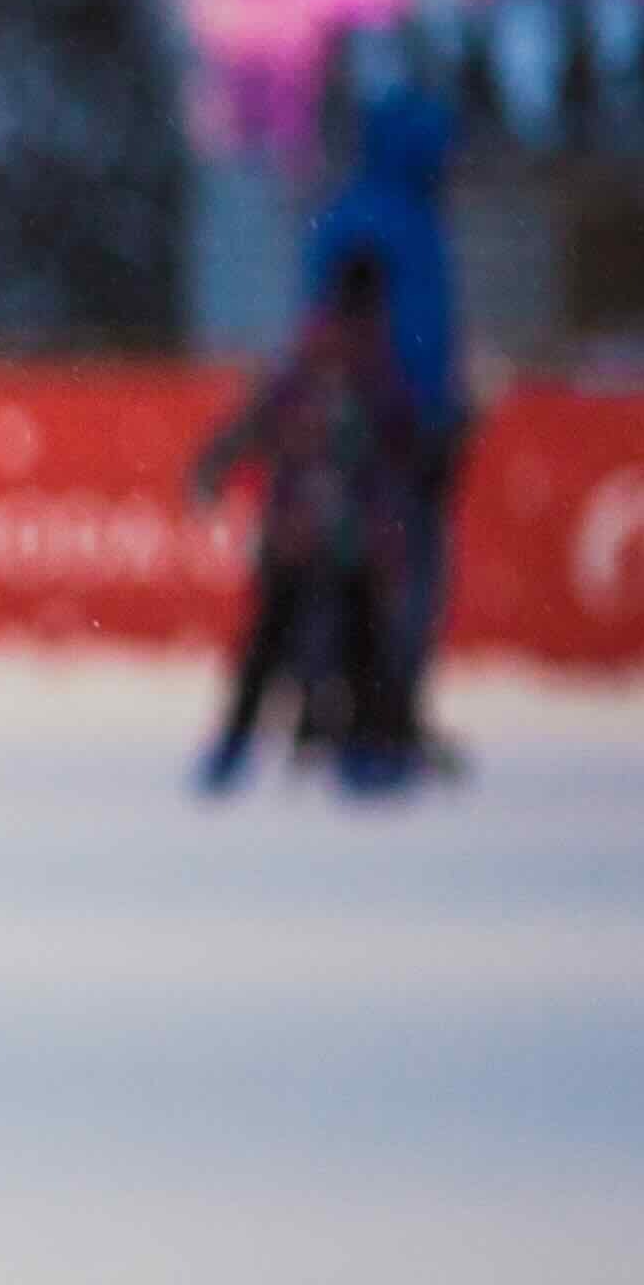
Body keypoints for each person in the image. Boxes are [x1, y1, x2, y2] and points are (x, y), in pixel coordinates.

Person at [191, 247, 428, 799]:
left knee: (282, 641)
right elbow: (403, 444)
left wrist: (218, 462)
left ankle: (243, 746)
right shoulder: (374, 363)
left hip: (306, 530)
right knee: (349, 642)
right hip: (345, 533)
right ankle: (363, 748)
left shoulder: (316, 357)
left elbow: (259, 421)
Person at [302, 80, 467, 773]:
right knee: (391, 578)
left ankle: (366, 712)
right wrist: (421, 414)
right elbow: (365, 338)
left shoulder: (355, 215)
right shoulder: (393, 223)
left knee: (373, 576)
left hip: (385, 431)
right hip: (391, 435)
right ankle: (374, 716)